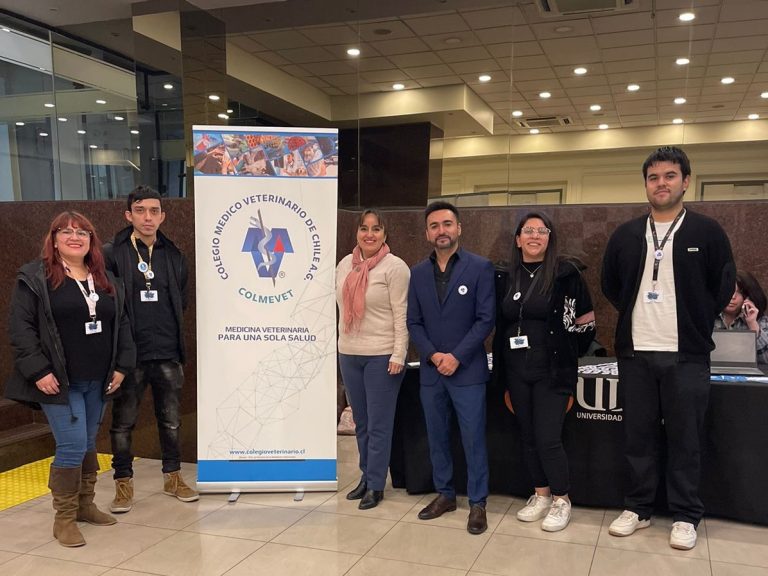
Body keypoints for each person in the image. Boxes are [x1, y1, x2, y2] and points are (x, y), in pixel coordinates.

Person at [601, 146, 735, 550]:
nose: (661, 183)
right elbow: (611, 284)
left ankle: (685, 515)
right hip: (635, 353)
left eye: (670, 176)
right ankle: (638, 508)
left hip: (686, 355)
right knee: (637, 437)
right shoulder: (625, 234)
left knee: (685, 439)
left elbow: (723, 284)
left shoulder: (707, 232)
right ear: (646, 184)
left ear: (686, 181)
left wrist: (695, 320)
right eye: (654, 177)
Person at [5, 211, 135, 547]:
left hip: (100, 379)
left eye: (82, 232)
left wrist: (122, 366)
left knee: (88, 442)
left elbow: (122, 325)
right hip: (59, 382)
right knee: (73, 444)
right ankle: (63, 518)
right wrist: (38, 370)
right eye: (65, 231)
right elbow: (21, 329)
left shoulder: (105, 279)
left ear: (91, 240)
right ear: (53, 239)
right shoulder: (36, 278)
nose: (74, 237)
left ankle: (84, 505)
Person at [493, 211, 595, 532]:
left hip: (553, 370)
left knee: (548, 437)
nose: (534, 236)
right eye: (528, 230)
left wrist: (567, 351)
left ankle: (562, 499)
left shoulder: (566, 275)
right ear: (518, 239)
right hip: (515, 370)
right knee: (528, 436)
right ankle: (540, 494)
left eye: (541, 230)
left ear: (550, 238)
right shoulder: (504, 276)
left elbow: (586, 324)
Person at [106, 185, 197, 513]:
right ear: (128, 215)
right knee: (123, 423)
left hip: (167, 351)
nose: (148, 217)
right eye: (140, 210)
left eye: (154, 211)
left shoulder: (173, 255)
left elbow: (180, 301)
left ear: (163, 216)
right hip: (129, 355)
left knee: (171, 420)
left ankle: (173, 477)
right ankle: (123, 483)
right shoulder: (112, 254)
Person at [407, 201, 495, 535]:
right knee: (437, 437)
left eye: (447, 224)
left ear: (459, 228)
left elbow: (485, 319)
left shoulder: (480, 267)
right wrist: (433, 356)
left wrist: (456, 356)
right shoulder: (417, 273)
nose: (441, 231)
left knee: (473, 439)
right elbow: (414, 322)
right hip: (432, 373)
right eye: (434, 226)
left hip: (467, 371)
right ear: (427, 233)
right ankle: (445, 494)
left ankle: (478, 502)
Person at [336, 209, 410, 510]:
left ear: (385, 234)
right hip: (349, 353)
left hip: (382, 356)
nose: (369, 234)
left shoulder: (396, 267)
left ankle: (376, 485)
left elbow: (402, 314)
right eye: (364, 228)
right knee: (362, 423)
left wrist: (399, 353)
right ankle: (366, 476)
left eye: (376, 229)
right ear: (357, 232)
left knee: (379, 425)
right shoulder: (345, 265)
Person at [714, 271, 768, 364]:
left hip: (746, 372)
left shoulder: (760, 321)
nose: (733, 297)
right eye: (729, 291)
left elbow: (766, 360)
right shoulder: (707, 317)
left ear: (748, 296)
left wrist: (752, 324)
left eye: (739, 292)